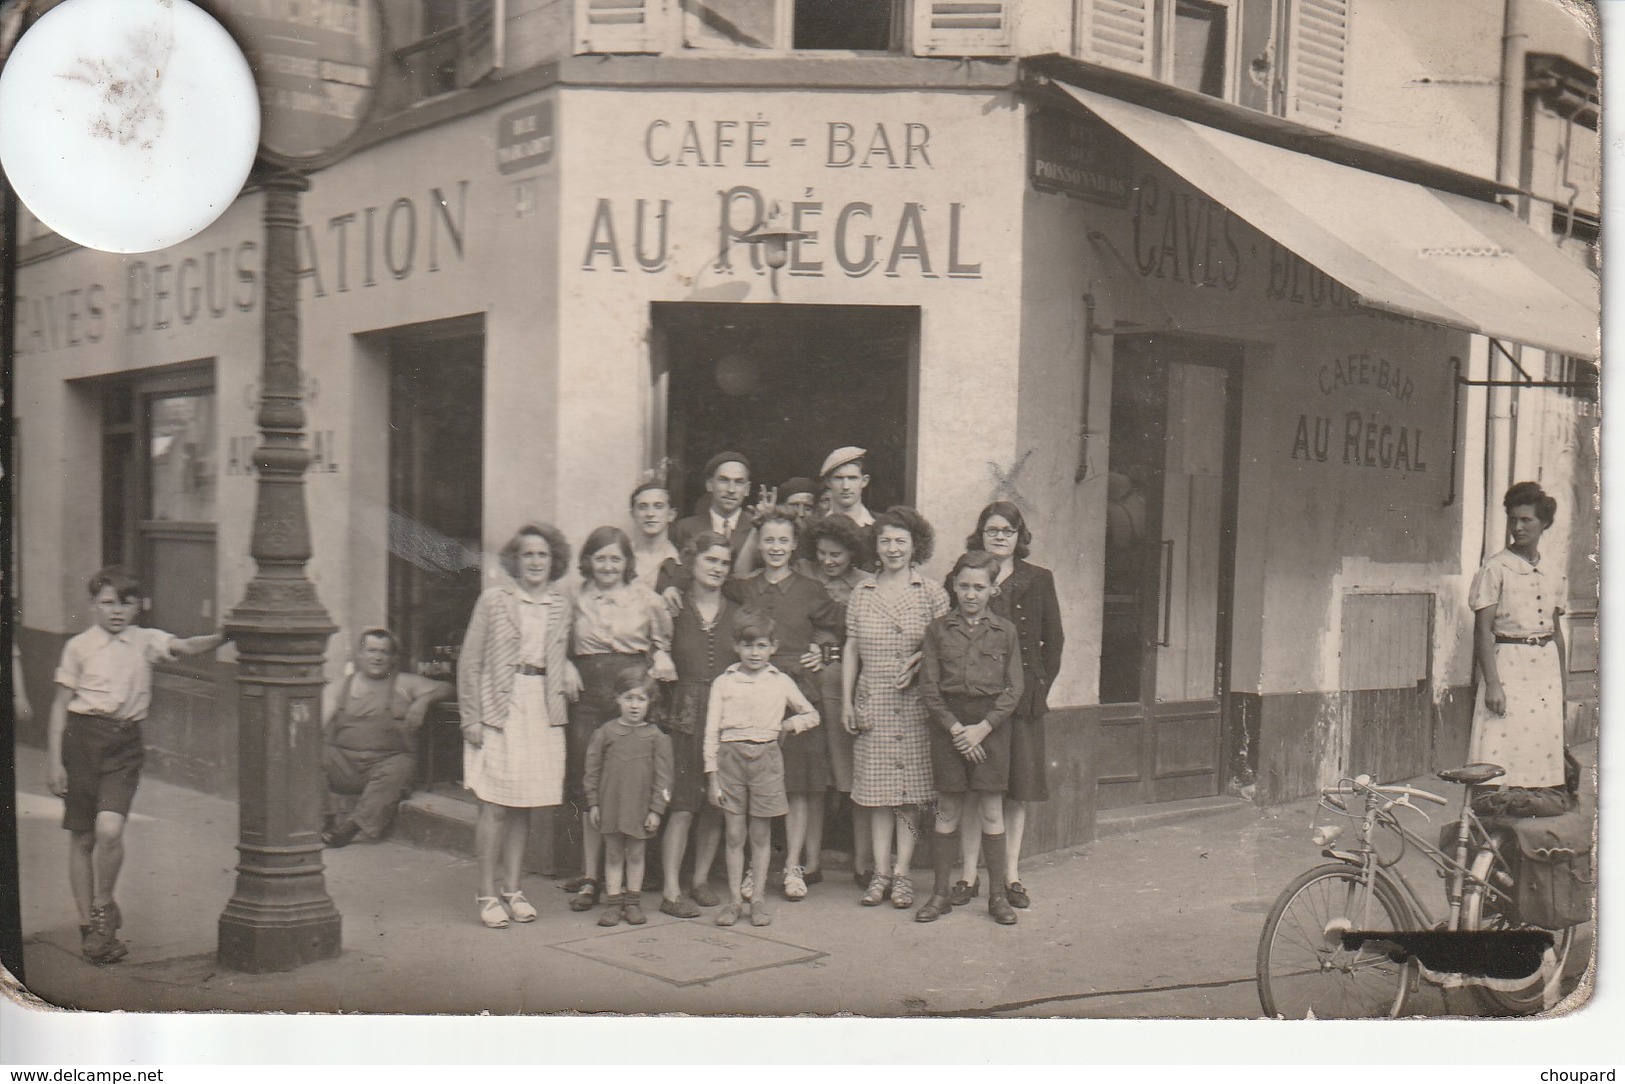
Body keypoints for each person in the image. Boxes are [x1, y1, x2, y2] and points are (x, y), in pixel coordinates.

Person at [47, 568, 227, 963]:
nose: (116, 611)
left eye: (125, 603)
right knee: (82, 837)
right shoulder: (78, 647)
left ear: (137, 607)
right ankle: (87, 925)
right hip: (81, 741)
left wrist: (223, 636)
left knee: (109, 829)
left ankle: (103, 906)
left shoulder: (145, 641)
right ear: (93, 605)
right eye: (107, 602)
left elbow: (187, 647)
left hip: (124, 744)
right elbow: (60, 706)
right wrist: (54, 762)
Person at [458, 523, 575, 929]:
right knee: (494, 804)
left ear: (554, 560)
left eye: (543, 554)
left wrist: (570, 666)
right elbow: (470, 661)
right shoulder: (494, 601)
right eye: (528, 554)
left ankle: (513, 888)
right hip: (499, 707)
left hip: (541, 707)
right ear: (516, 559)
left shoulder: (561, 605)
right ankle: (486, 893)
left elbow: (561, 651)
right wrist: (471, 716)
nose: (536, 561)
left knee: (524, 805)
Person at [728, 508, 842, 900]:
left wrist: (825, 651)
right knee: (751, 784)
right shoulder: (745, 587)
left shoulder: (811, 589)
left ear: (795, 545)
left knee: (798, 788)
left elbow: (841, 628)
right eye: (768, 540)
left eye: (783, 540)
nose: (775, 547)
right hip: (752, 694)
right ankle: (752, 867)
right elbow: (722, 581)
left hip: (798, 695)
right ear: (758, 544)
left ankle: (793, 866)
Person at [842, 506, 949, 911]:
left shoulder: (931, 592)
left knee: (909, 795)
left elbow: (944, 646)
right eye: (885, 540)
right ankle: (879, 873)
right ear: (876, 545)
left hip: (916, 704)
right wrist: (849, 701)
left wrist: (921, 662)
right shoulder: (862, 592)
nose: (892, 548)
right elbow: (852, 648)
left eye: (900, 541)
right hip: (875, 700)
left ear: (915, 545)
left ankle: (902, 874)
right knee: (876, 794)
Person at [958, 500, 1064, 910]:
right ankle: (967, 875)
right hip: (975, 702)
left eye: (1008, 530)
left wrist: (1038, 688)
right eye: (992, 529)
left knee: (1016, 791)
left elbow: (1054, 641)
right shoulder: (967, 574)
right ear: (980, 534)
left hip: (1022, 703)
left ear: (1020, 537)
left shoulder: (1038, 579)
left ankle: (1010, 875)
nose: (999, 536)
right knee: (973, 789)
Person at [565, 525, 675, 913]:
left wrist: (659, 660)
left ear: (627, 561)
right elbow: (557, 643)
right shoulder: (574, 598)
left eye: (616, 558)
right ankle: (591, 877)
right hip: (589, 694)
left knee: (635, 781)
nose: (608, 565)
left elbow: (663, 645)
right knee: (589, 781)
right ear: (588, 561)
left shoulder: (647, 599)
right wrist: (566, 664)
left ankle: (636, 874)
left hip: (632, 691)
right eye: (600, 558)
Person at [916, 551, 1024, 925]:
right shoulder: (938, 630)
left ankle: (997, 896)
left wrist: (983, 728)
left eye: (979, 587)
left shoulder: (1005, 631)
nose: (971, 594)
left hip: (990, 727)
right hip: (950, 728)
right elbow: (929, 689)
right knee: (948, 810)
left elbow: (1014, 689)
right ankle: (941, 893)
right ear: (954, 586)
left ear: (994, 589)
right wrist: (956, 729)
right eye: (963, 586)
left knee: (992, 811)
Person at [704, 611, 819, 928]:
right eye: (747, 645)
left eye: (761, 646)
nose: (754, 653)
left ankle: (757, 901)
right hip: (730, 759)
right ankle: (734, 902)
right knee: (734, 834)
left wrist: (788, 724)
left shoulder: (780, 681)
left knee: (760, 833)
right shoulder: (724, 682)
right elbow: (711, 733)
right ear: (736, 647)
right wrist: (712, 775)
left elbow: (811, 714)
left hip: (766, 757)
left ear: (773, 647)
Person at [1468, 481, 1570, 816]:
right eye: (1513, 519)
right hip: (1508, 665)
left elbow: (1556, 633)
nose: (1518, 527)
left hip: (1543, 672)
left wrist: (1562, 689)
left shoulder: (1552, 571)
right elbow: (1482, 630)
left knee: (1538, 749)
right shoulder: (1496, 567)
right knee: (1498, 747)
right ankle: (1488, 826)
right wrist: (1493, 683)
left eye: (1526, 520)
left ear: (1543, 523)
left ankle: (1527, 831)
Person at [659, 531, 740, 916]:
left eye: (725, 563)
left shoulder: (737, 611)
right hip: (685, 714)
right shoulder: (673, 607)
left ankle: (701, 880)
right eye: (711, 561)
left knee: (715, 804)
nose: (718, 569)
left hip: (725, 717)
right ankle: (671, 890)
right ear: (693, 563)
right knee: (682, 803)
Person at [321, 627, 452, 848]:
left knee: (401, 767)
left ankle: (350, 828)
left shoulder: (404, 683)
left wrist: (423, 701)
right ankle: (325, 818)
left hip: (384, 765)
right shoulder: (340, 687)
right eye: (372, 651)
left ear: (392, 658)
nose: (377, 657)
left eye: (384, 652)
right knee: (310, 754)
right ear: (360, 655)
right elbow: (317, 726)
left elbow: (447, 688)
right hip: (344, 765)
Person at [799, 514, 875, 885]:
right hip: (807, 683)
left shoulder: (865, 584)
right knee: (813, 776)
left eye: (837, 555)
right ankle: (810, 862)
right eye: (822, 553)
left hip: (847, 683)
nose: (828, 561)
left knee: (852, 775)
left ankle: (863, 862)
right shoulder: (803, 573)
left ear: (852, 553)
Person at [585, 666, 674, 927]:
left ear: (650, 702)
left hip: (639, 809)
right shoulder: (604, 733)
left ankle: (633, 902)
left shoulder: (657, 737)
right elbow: (591, 771)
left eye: (641, 699)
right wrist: (593, 803)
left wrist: (656, 810)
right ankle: (613, 904)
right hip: (611, 806)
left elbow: (664, 779)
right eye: (629, 698)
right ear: (618, 699)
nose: (635, 705)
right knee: (613, 854)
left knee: (636, 854)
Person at [628, 480, 681, 591]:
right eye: (642, 507)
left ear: (671, 514)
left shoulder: (682, 562)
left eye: (658, 506)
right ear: (633, 514)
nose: (650, 514)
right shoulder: (621, 558)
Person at [820, 447, 876, 529]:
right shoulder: (817, 527)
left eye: (852, 478)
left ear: (864, 481)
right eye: (839, 478)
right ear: (828, 482)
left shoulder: (879, 526)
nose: (846, 486)